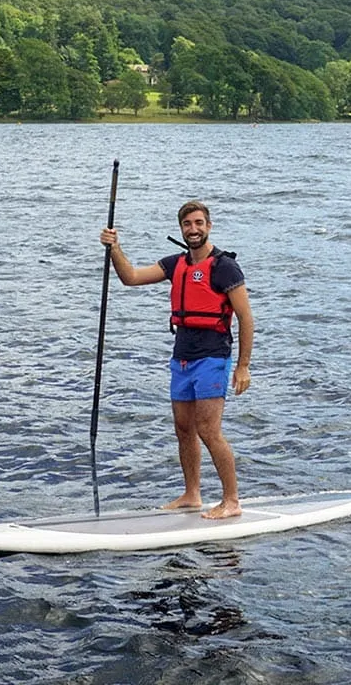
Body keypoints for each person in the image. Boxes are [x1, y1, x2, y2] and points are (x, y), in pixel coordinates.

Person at [99, 200, 253, 520]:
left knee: (208, 430)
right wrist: (115, 248)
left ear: (208, 226)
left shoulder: (224, 267)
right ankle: (191, 494)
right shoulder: (175, 263)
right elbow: (130, 277)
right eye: (187, 224)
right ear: (181, 228)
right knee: (184, 429)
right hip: (181, 358)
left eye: (199, 223)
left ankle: (232, 500)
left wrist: (243, 366)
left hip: (212, 357)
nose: (193, 229)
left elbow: (246, 318)